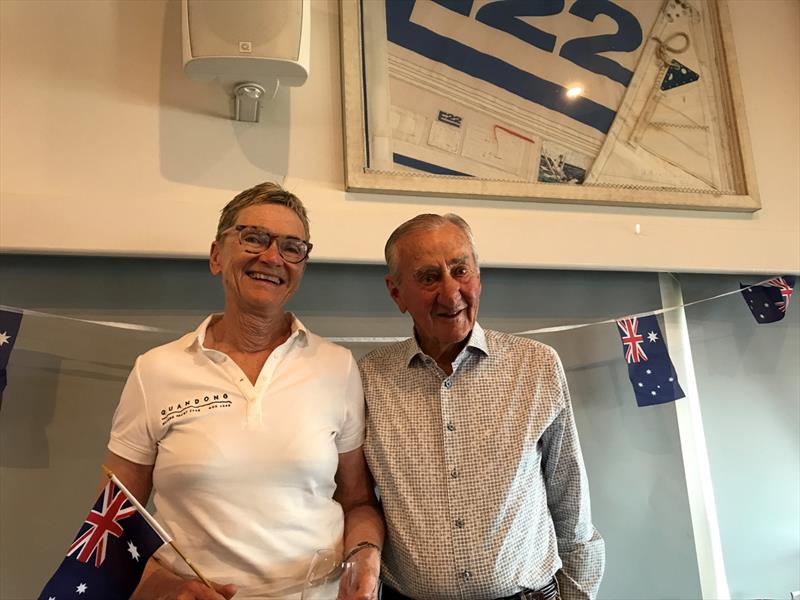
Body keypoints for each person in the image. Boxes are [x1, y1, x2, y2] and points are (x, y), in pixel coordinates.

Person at [103, 182, 383, 600]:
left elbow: (358, 500)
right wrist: (161, 585)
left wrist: (365, 556)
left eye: (292, 247)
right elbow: (114, 515)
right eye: (253, 238)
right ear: (217, 255)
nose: (272, 257)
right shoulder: (156, 370)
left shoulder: (336, 366)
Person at [358, 214, 605, 600]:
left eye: (461, 270)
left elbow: (568, 496)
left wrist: (577, 593)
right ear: (396, 293)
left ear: (478, 275)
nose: (450, 291)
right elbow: (357, 499)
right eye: (428, 277)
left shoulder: (536, 364)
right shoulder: (367, 379)